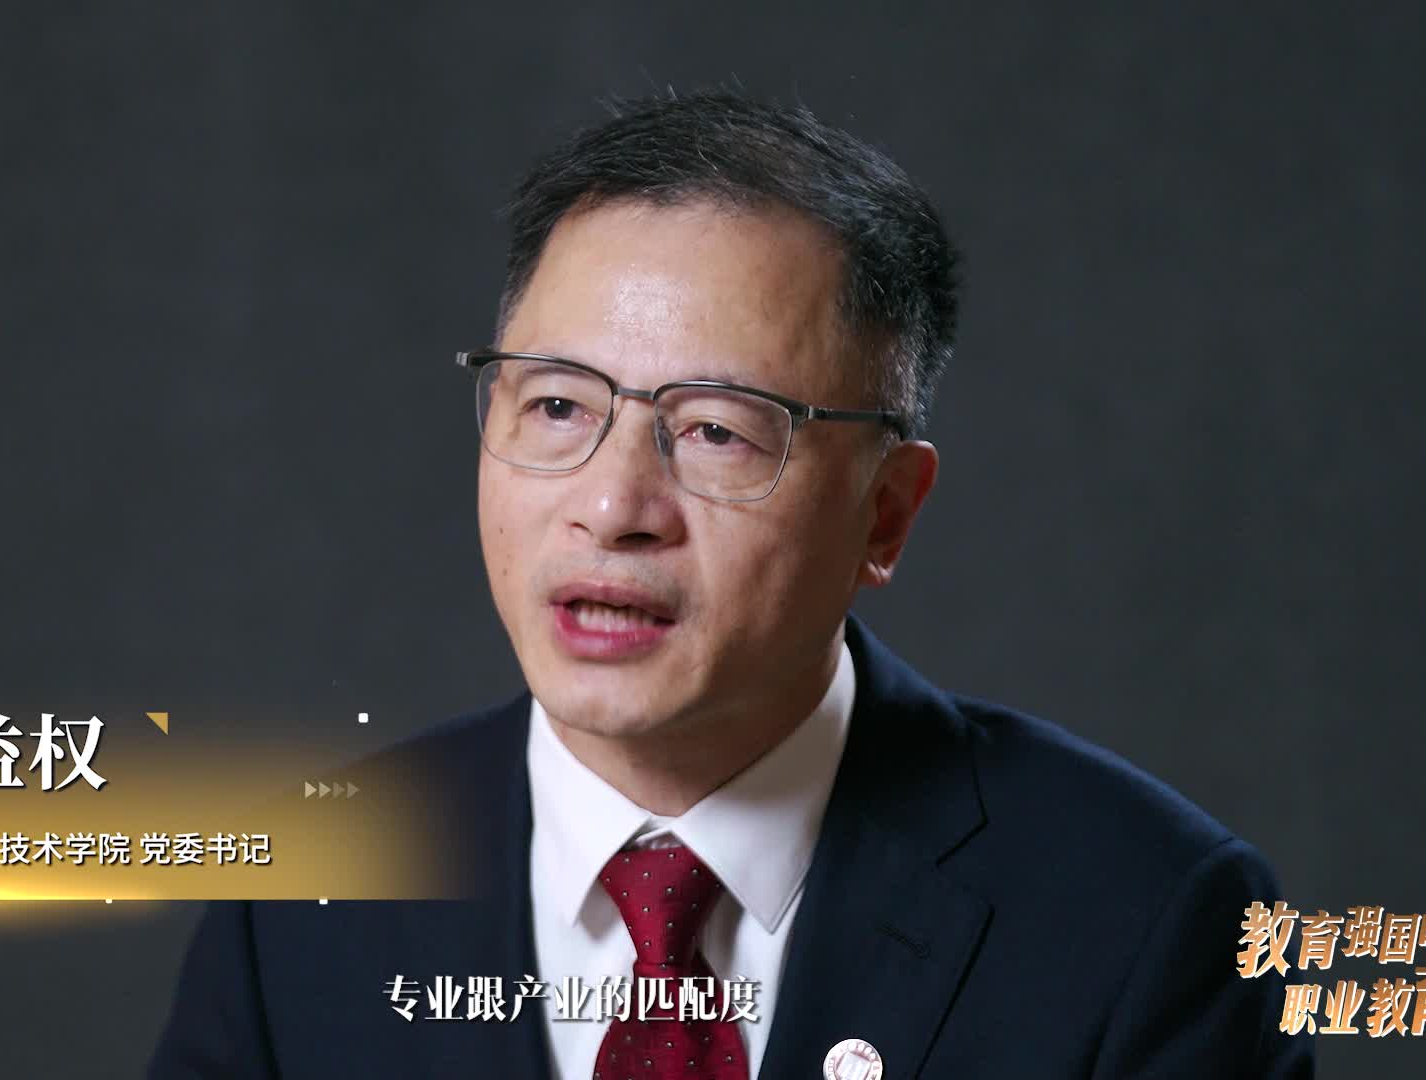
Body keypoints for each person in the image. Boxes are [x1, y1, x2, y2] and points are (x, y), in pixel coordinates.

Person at [149, 90, 1314, 1079]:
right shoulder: (299, 910)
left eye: (716, 431)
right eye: (556, 406)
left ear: (885, 513)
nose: (613, 507)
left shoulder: (1147, 923)